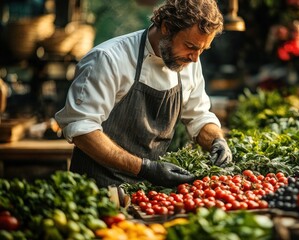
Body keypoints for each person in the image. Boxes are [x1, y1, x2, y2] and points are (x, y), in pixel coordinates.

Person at [55, 0, 232, 188]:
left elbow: (199, 116)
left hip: (148, 191)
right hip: (97, 189)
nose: (195, 57)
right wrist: (145, 168)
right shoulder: (109, 59)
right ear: (167, 27)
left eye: (202, 49)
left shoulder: (188, 62)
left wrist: (217, 140)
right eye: (190, 46)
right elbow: (83, 130)